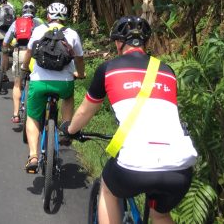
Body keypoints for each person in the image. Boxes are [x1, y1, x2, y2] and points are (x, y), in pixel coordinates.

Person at [62, 16, 197, 224]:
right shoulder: (167, 71)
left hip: (134, 166)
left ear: (118, 43)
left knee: (108, 189)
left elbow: (84, 112)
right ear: (146, 42)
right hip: (179, 167)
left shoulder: (107, 69)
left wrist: (70, 131)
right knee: (160, 214)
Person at [19, 2, 84, 173]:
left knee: (32, 117)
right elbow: (79, 59)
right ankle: (66, 130)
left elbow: (29, 52)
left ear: (48, 16)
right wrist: (81, 74)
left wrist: (25, 68)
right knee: (68, 97)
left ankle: (33, 156)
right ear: (65, 18)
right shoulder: (72, 34)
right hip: (64, 83)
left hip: (39, 82)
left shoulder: (39, 30)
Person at [3, 1, 43, 124]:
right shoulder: (39, 23)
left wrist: (10, 48)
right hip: (35, 56)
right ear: (34, 12)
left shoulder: (16, 22)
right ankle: (37, 113)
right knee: (36, 83)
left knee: (17, 84)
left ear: (23, 12)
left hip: (20, 52)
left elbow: (5, 42)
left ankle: (15, 115)